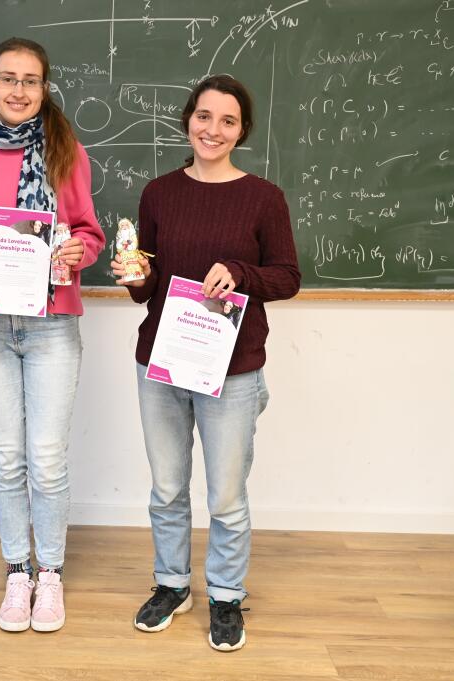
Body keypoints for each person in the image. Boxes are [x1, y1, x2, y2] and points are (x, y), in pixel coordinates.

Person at [111, 74, 300, 651]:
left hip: (233, 370)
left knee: (225, 497)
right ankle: (172, 584)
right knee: (167, 488)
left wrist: (240, 272)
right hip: (162, 362)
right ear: (188, 120)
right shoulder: (159, 193)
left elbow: (288, 277)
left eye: (227, 120)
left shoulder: (264, 198)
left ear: (242, 132)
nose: (212, 130)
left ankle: (225, 592)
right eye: (203, 116)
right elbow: (147, 288)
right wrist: (135, 277)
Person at [0, 37, 105, 633]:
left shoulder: (66, 153)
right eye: (7, 79)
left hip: (51, 325)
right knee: (7, 458)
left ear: (44, 88)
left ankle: (50, 573)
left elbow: (90, 233)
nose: (18, 90)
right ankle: (17, 571)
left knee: (48, 459)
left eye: (29, 80)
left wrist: (77, 248)